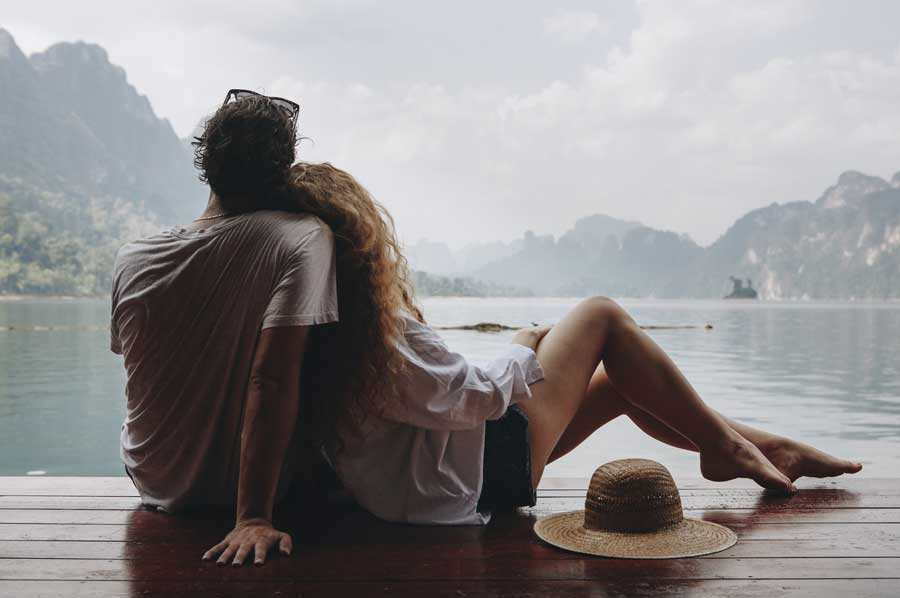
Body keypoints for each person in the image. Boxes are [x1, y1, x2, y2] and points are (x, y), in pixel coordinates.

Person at [199, 161, 862, 567]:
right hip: (475, 483)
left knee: (618, 382)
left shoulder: (305, 330)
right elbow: (475, 398)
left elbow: (439, 396)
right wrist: (522, 342)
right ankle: (729, 448)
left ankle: (758, 447)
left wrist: (521, 359)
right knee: (601, 316)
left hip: (447, 477)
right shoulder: (373, 335)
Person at [111, 90, 333, 565]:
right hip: (239, 492)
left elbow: (139, 368)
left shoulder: (132, 258)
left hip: (152, 478)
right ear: (283, 168)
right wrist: (252, 517)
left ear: (206, 161)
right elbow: (271, 379)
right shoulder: (301, 237)